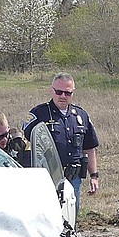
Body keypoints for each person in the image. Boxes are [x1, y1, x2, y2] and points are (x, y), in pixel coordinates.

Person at [22, 73, 100, 212]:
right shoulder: (39, 114)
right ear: (51, 90)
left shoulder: (81, 115)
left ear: (73, 93)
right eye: (59, 92)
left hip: (73, 176)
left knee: (71, 214)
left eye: (67, 93)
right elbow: (27, 143)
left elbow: (89, 148)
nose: (63, 96)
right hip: (48, 177)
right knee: (48, 215)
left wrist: (94, 176)